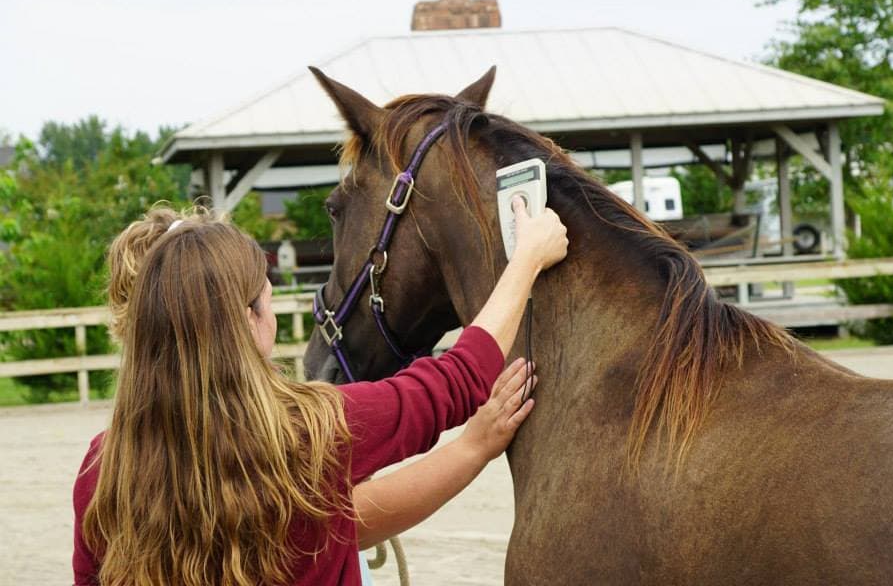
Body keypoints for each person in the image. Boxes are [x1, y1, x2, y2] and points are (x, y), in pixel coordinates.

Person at [73, 199, 567, 586]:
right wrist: (526, 260)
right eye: (266, 300)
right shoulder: (314, 429)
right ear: (248, 321)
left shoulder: (104, 468)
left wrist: (471, 449)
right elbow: (460, 378)